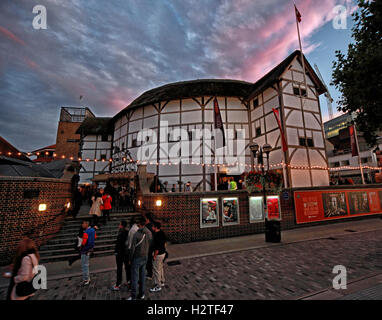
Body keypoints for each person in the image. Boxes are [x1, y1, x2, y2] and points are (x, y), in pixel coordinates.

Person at [128, 216, 153, 300]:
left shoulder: (137, 234)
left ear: (139, 224)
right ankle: (142, 294)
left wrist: (130, 259)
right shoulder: (149, 232)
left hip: (137, 257)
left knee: (134, 278)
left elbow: (132, 248)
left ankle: (133, 296)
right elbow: (150, 243)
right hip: (145, 256)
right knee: (142, 276)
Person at [111, 221, 129, 291]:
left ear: (121, 225)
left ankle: (118, 284)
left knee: (119, 269)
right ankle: (128, 281)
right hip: (126, 253)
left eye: (119, 224)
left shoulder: (121, 233)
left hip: (120, 254)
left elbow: (118, 244)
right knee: (127, 268)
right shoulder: (127, 232)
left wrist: (116, 252)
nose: (119, 226)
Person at [149, 222, 167, 293]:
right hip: (163, 253)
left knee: (156, 270)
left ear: (156, 227)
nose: (152, 227)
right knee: (160, 268)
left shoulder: (156, 236)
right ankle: (162, 281)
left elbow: (157, 248)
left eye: (153, 226)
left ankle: (158, 285)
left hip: (158, 254)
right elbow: (165, 243)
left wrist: (154, 256)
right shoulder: (162, 232)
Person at [80, 220, 96, 286]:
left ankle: (86, 279)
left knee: (84, 265)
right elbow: (95, 237)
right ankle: (87, 278)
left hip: (85, 249)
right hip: (90, 248)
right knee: (86, 264)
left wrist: (81, 247)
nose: (82, 225)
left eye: (83, 223)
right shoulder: (93, 230)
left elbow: (84, 242)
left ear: (87, 224)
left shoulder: (86, 232)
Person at [144, 213, 154, 280]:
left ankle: (149, 274)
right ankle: (150, 273)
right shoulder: (153, 225)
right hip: (152, 245)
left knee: (148, 261)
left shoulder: (147, 227)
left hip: (148, 246)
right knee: (150, 260)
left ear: (147, 219)